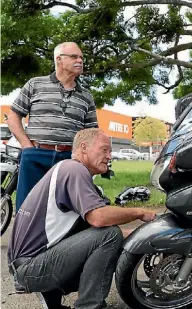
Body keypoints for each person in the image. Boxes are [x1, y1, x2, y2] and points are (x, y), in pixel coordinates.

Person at [7, 128, 157, 309]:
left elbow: (91, 233)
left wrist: (144, 235)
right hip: (32, 268)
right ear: (84, 148)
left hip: (28, 265)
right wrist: (139, 212)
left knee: (110, 237)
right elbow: (99, 219)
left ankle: (51, 293)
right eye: (104, 150)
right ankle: (89, 306)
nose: (110, 156)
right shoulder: (73, 169)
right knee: (110, 235)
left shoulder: (66, 170)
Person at [7, 42, 98, 212]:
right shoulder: (35, 85)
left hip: (69, 159)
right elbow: (13, 117)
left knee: (64, 211)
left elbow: (92, 133)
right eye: (74, 57)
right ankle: (23, 239)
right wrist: (27, 147)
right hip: (35, 155)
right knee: (28, 208)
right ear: (59, 60)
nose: (80, 60)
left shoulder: (86, 96)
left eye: (81, 57)